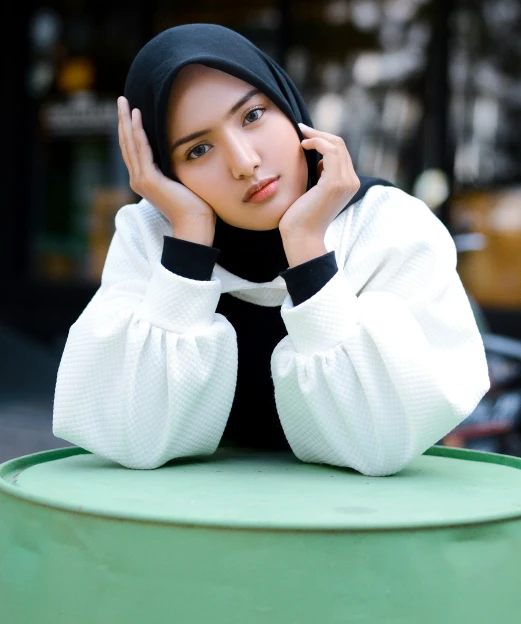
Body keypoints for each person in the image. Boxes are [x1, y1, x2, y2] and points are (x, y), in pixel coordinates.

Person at [52, 23, 490, 475]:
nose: (244, 162)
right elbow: (133, 437)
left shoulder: (388, 227)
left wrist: (305, 248)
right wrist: (188, 242)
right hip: (197, 523)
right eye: (198, 150)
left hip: (363, 527)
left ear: (287, 104)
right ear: (164, 170)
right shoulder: (151, 236)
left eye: (253, 115)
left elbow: (380, 444)